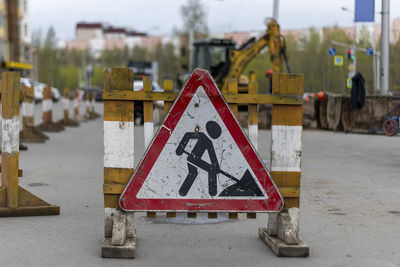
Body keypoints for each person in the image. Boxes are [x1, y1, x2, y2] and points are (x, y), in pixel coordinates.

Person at [176, 121, 222, 196]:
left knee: (193, 173)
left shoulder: (209, 142)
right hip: (193, 158)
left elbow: (212, 156)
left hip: (193, 159)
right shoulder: (202, 136)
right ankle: (212, 192)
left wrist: (216, 167)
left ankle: (182, 192)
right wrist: (180, 148)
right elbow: (187, 135)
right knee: (211, 169)